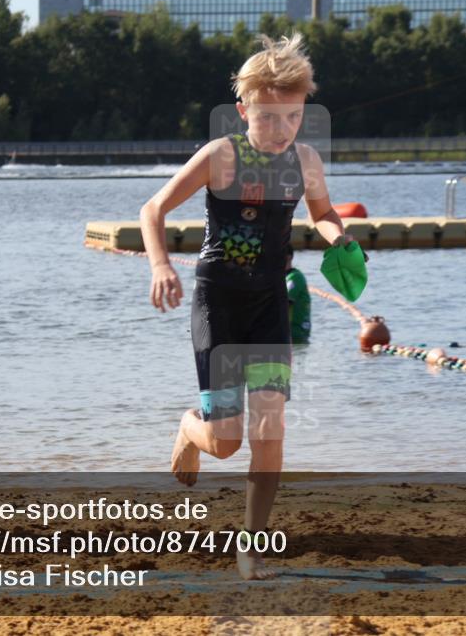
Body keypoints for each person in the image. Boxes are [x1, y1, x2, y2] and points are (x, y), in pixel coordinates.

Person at [139, 33, 353, 580]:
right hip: (219, 303)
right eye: (269, 117)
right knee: (227, 441)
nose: (282, 129)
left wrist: (338, 237)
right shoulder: (221, 156)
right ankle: (190, 429)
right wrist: (161, 265)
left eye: (293, 116)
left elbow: (323, 213)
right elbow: (153, 209)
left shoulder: (305, 161)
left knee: (270, 432)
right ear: (243, 111)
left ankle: (251, 549)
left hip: (269, 304)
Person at [285, 246, 311, 344]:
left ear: (289, 257)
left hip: (295, 335)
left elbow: (283, 304)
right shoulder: (280, 279)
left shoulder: (295, 277)